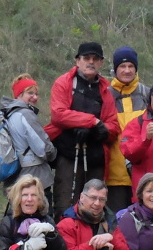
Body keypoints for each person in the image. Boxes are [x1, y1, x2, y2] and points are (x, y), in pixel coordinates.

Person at [46, 42, 121, 214]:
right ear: (77, 60)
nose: (91, 62)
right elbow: (58, 114)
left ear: (101, 63)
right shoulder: (64, 83)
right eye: (86, 58)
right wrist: (92, 122)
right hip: (68, 154)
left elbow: (113, 125)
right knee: (66, 205)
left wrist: (101, 130)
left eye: (95, 59)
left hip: (95, 156)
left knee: (94, 206)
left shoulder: (105, 90)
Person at [1, 75, 56, 199]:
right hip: (34, 176)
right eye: (30, 93)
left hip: (15, 176)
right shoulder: (25, 114)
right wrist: (53, 154)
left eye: (36, 94)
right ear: (19, 94)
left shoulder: (8, 113)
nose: (35, 97)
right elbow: (43, 148)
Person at [107, 46, 149, 213]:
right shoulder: (105, 94)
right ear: (115, 69)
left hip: (144, 172)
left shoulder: (148, 94)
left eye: (131, 66)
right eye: (122, 67)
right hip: (114, 174)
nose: (127, 70)